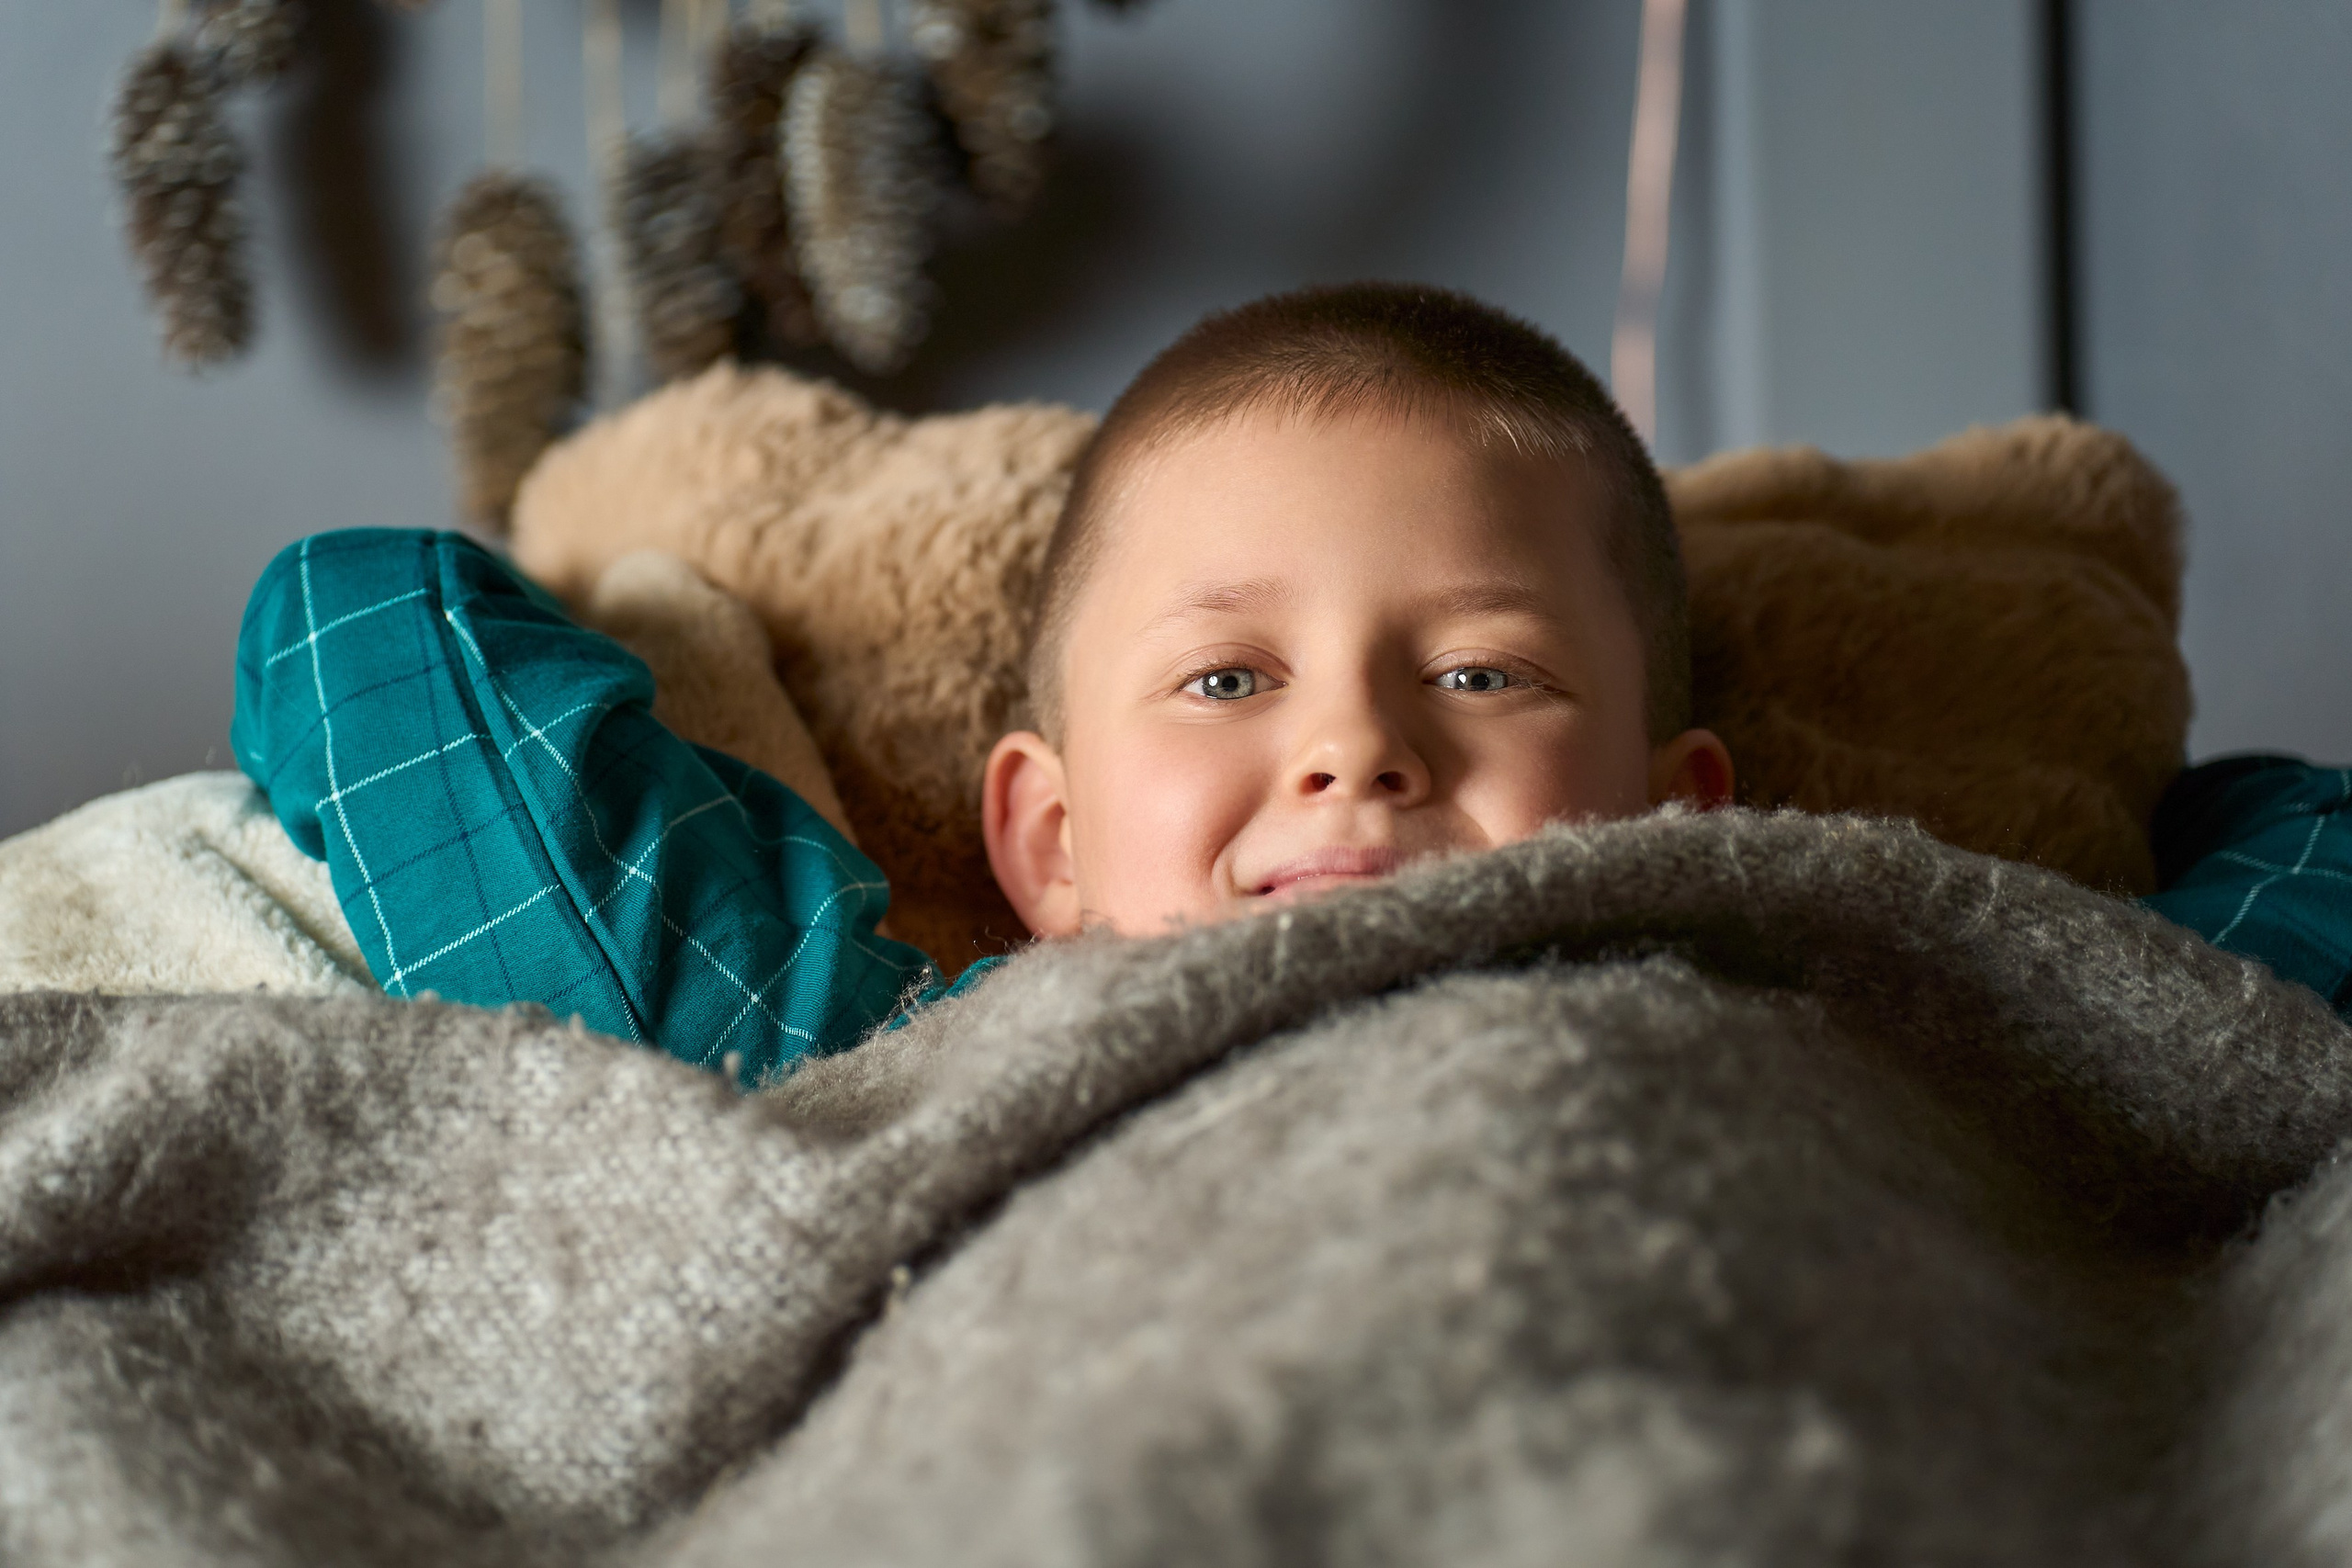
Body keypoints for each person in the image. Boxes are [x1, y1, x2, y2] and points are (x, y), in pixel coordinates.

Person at [233, 282, 1733, 1088]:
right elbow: (347, 623)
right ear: (1054, 844)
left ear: (1689, 825)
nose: (1353, 745)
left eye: (1481, 671)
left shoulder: (1822, 996)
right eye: (1225, 678)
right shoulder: (905, 1067)